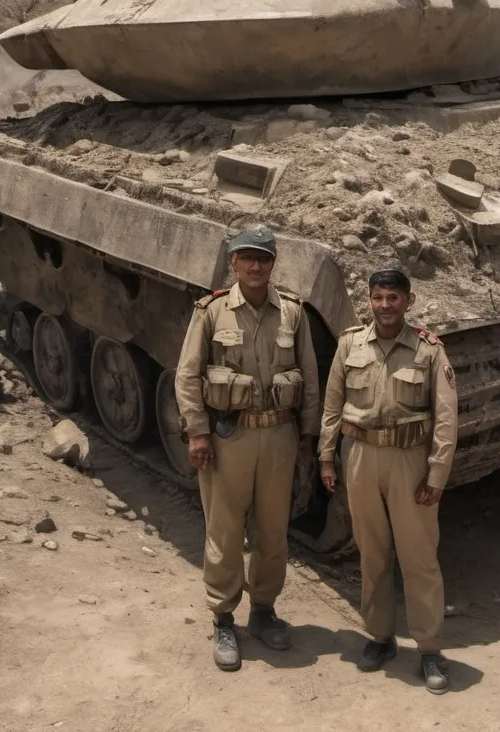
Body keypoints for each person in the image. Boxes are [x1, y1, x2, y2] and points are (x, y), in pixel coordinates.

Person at [174, 226, 321, 672]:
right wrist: (197, 432)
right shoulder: (213, 311)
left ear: (273, 264)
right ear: (233, 263)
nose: (255, 266)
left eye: (263, 258)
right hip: (228, 438)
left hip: (278, 436)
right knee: (224, 530)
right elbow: (187, 375)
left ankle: (263, 611)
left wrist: (309, 437)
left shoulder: (293, 313)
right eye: (246, 258)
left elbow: (310, 379)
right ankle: (223, 618)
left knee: (273, 532)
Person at [318, 269, 458, 695]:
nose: (384, 306)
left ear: (408, 301)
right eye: (378, 297)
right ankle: (380, 637)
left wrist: (437, 473)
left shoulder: (429, 350)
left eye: (393, 298)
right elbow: (332, 405)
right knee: (372, 553)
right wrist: (326, 456)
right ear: (370, 300)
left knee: (419, 558)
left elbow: (447, 419)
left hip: (409, 461)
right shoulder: (350, 344)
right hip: (359, 456)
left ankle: (430, 648)